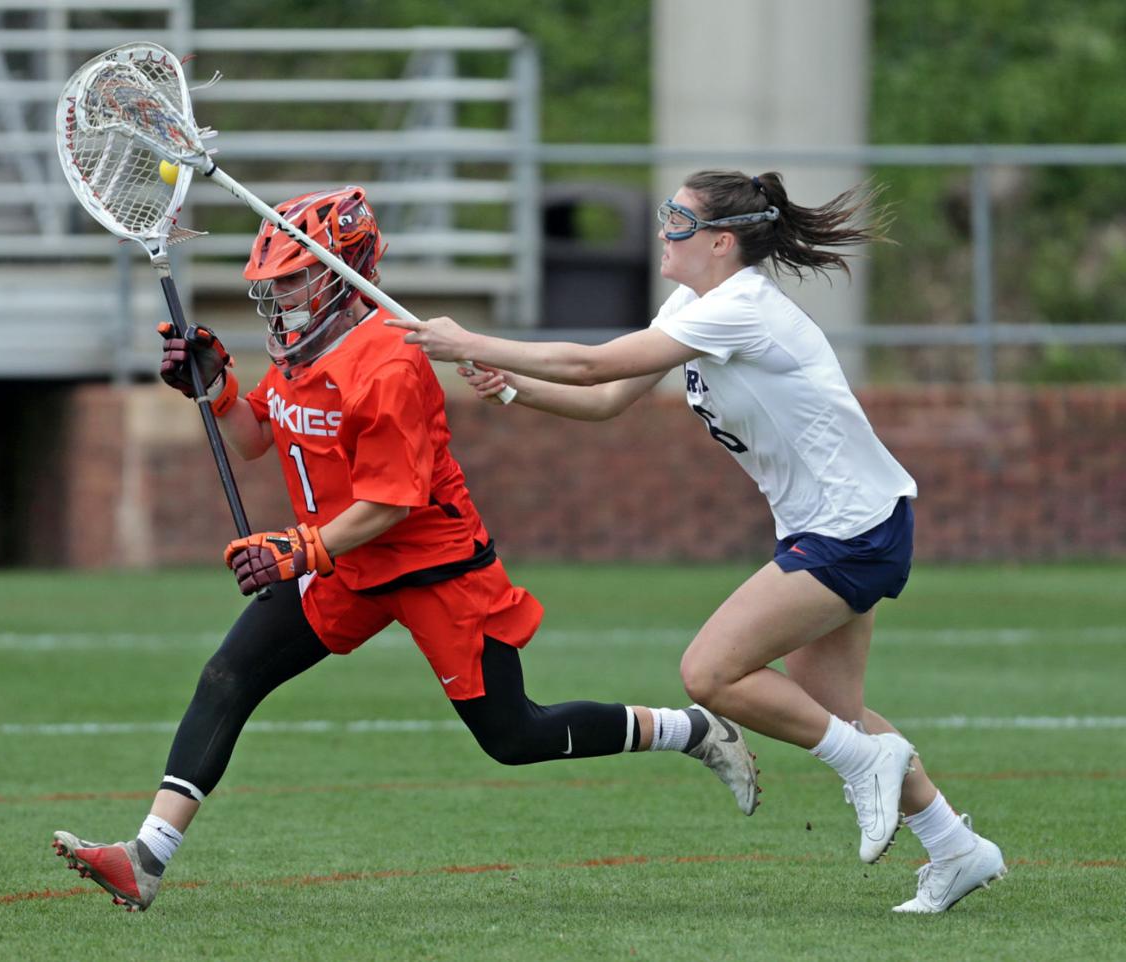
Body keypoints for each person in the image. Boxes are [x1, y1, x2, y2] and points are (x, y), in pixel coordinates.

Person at [51, 186, 758, 913]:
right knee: (228, 676)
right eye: (274, 283)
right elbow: (260, 438)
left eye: (293, 279)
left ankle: (693, 730)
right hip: (345, 564)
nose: (280, 297)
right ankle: (148, 859)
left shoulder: (387, 363)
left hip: (432, 567)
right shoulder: (303, 349)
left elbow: (392, 504)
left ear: (342, 267)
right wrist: (217, 390)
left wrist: (299, 549)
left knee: (514, 736)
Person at [386, 170, 1008, 914]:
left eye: (676, 220)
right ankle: (955, 848)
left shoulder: (741, 308)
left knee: (711, 673)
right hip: (840, 523)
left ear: (721, 241)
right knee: (832, 709)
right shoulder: (693, 303)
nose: (661, 231)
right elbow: (609, 399)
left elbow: (593, 362)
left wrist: (469, 338)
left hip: (854, 527)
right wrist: (512, 384)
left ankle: (866, 764)